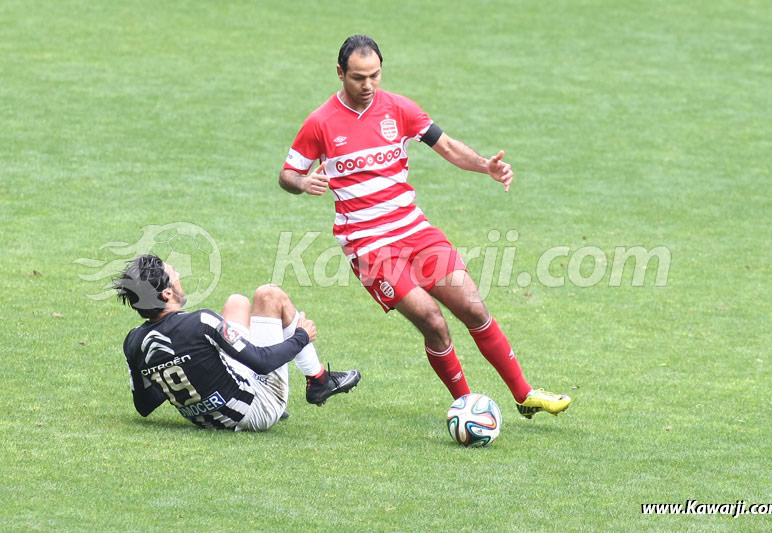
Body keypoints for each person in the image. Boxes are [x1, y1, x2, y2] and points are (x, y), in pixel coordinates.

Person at [278, 35, 571, 419]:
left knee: (474, 308)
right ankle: (468, 408)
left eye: (375, 76)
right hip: (369, 246)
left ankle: (524, 393)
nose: (368, 86)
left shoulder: (399, 109)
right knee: (433, 322)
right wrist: (303, 183)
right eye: (358, 78)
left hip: (415, 230)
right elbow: (287, 174)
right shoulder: (320, 123)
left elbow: (447, 146)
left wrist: (486, 165)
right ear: (340, 73)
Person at [113, 254, 360, 431]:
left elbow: (144, 406)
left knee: (236, 303)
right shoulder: (201, 321)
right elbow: (262, 363)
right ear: (166, 294)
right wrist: (301, 336)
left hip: (203, 418)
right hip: (256, 410)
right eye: (173, 274)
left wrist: (173, 367)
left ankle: (314, 380)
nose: (178, 275)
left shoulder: (133, 341)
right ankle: (318, 380)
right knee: (269, 294)